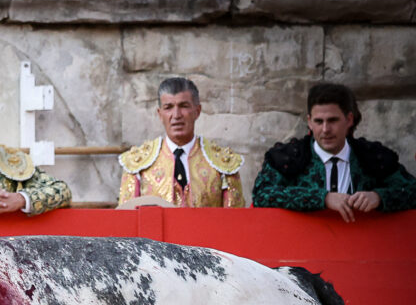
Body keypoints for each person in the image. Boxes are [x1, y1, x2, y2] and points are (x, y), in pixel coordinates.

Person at [252, 82, 416, 221]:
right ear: (309, 122)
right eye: (318, 121)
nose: (325, 129)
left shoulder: (373, 157)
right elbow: (262, 194)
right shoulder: (288, 157)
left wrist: (379, 197)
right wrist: (323, 198)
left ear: (349, 119)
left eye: (333, 120)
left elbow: (412, 191)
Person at [117, 78, 245, 208]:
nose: (176, 115)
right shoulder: (138, 165)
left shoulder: (223, 164)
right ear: (160, 114)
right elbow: (126, 222)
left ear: (197, 111)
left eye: (184, 106)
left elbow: (235, 222)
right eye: (168, 107)